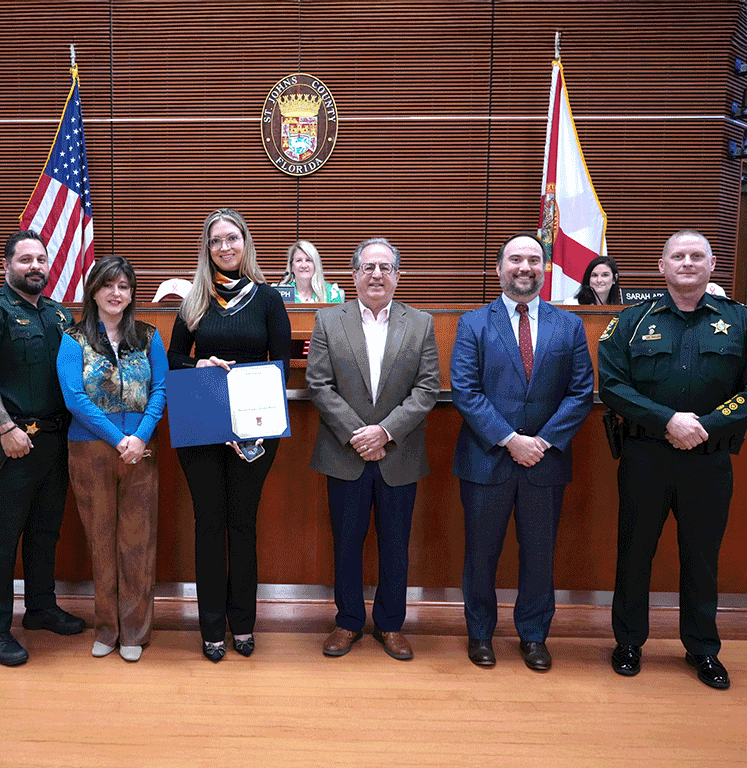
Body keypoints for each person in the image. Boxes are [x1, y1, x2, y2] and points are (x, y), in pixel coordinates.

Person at [599, 229, 747, 691]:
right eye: (677, 256)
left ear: (712, 264)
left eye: (696, 255)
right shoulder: (633, 321)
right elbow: (612, 384)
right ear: (661, 267)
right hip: (646, 456)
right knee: (635, 551)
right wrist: (668, 421)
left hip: (709, 457)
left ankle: (703, 648)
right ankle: (628, 641)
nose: (687, 262)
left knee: (702, 556)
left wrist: (706, 424)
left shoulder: (739, 320)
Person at [451, 232, 594, 672]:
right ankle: (480, 634)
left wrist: (543, 442)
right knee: (481, 552)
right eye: (516, 259)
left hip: (545, 462)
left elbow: (581, 391)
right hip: (486, 458)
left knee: (539, 553)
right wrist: (511, 440)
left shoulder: (567, 325)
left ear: (544, 269)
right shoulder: (473, 323)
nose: (525, 267)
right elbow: (465, 390)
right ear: (499, 269)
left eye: (534, 260)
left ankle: (534, 635)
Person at [306, 237, 439, 661]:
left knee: (395, 544)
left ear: (398, 276)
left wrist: (383, 432)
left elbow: (427, 388)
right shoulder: (328, 321)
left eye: (385, 268)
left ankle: (390, 624)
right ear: (354, 275)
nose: (376, 275)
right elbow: (319, 385)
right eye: (368, 267)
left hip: (399, 453)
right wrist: (358, 434)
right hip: (344, 453)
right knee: (346, 542)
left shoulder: (420, 323)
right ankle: (347, 622)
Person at [168, 208, 291, 662]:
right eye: (216, 240)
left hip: (254, 428)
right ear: (207, 248)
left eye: (232, 239)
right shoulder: (194, 300)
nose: (225, 247)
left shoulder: (267, 298)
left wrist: (249, 417)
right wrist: (199, 364)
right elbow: (173, 358)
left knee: (242, 525)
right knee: (208, 524)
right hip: (202, 422)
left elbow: (279, 366)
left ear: (245, 243)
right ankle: (210, 629)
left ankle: (243, 624)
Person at [0, 229, 84, 666]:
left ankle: (41, 608)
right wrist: (6, 426)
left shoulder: (60, 315)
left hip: (55, 439)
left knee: (46, 529)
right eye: (25, 259)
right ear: (7, 266)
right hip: (12, 439)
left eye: (41, 259)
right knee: (3, 536)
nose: (35, 266)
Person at [57, 255, 166, 663]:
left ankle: (135, 631)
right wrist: (119, 438)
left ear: (132, 292)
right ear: (94, 291)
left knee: (138, 544)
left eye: (123, 286)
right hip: (90, 450)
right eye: (107, 285)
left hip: (141, 450)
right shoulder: (72, 338)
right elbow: (74, 398)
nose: (115, 293)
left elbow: (160, 390)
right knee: (101, 543)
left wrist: (138, 437)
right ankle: (107, 628)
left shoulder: (148, 335)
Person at [275, 240, 344, 303]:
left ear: (315, 265)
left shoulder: (331, 293)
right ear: (292, 266)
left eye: (308, 260)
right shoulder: (281, 293)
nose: (304, 265)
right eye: (299, 260)